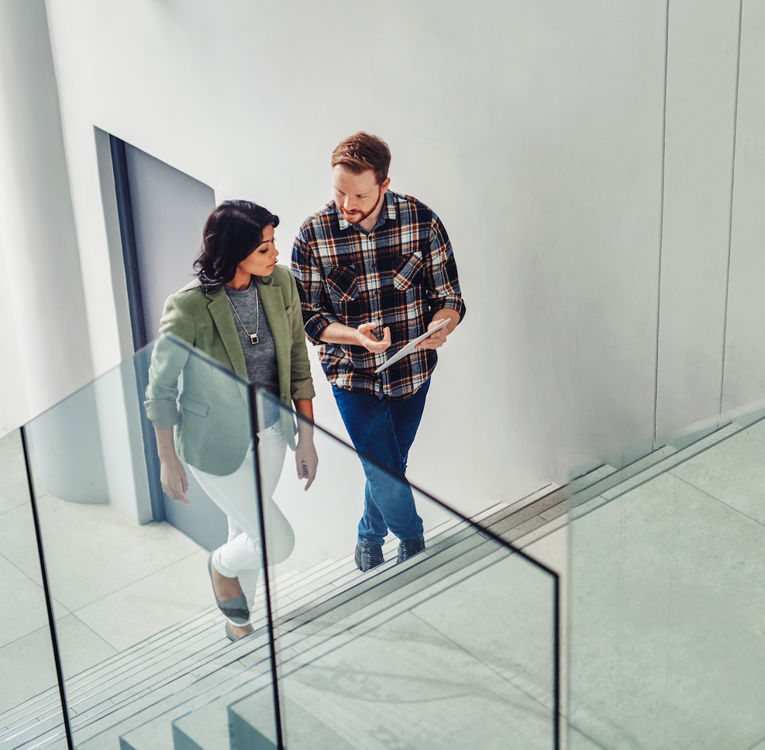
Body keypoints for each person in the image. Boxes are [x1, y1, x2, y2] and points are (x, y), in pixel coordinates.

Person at [291, 132, 465, 573]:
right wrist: (355, 336)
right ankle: (413, 544)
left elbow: (450, 298)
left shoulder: (421, 221)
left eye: (359, 194)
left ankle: (368, 535)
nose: (346, 203)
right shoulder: (312, 235)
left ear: (384, 184)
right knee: (383, 466)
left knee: (389, 464)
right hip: (352, 374)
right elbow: (310, 319)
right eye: (338, 191)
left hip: (413, 369)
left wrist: (441, 325)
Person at [144, 200, 317, 641]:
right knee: (275, 540)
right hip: (214, 445)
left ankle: (241, 629)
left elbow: (298, 360)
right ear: (234, 251)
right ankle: (219, 565)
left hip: (273, 435)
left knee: (248, 528)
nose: (274, 254)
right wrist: (167, 458)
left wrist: (307, 438)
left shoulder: (280, 284)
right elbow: (160, 388)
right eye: (263, 249)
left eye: (273, 244)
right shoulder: (188, 307)